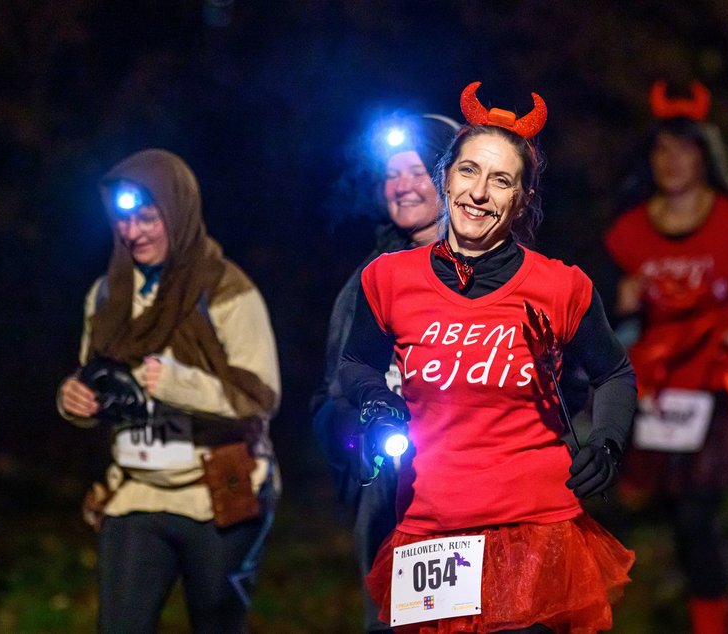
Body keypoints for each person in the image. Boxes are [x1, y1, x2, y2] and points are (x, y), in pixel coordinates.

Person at [339, 82, 637, 634]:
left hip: (532, 528)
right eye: (470, 172)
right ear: (445, 178)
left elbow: (614, 371)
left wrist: (608, 439)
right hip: (430, 530)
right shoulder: (386, 279)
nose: (479, 192)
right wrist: (376, 401)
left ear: (522, 199)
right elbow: (355, 362)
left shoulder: (560, 286)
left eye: (501, 180)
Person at [56, 148, 281, 633]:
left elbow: (261, 397)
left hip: (218, 488)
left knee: (216, 623)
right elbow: (95, 379)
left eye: (147, 218)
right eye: (124, 220)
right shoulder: (107, 294)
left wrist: (179, 384)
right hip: (137, 492)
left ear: (176, 215)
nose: (133, 232)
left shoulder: (226, 290)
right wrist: (76, 401)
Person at [603, 80, 728, 634]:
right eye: (661, 148)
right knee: (676, 521)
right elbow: (598, 322)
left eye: (684, 148)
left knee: (697, 512)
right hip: (657, 391)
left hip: (720, 387)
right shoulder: (626, 232)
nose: (671, 160)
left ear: (706, 155)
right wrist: (623, 304)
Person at [311, 112, 460, 633]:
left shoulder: (497, 270)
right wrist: (356, 437)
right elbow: (330, 395)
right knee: (399, 623)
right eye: (393, 175)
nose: (403, 185)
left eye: (418, 171)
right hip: (394, 489)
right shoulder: (368, 282)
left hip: (479, 480)